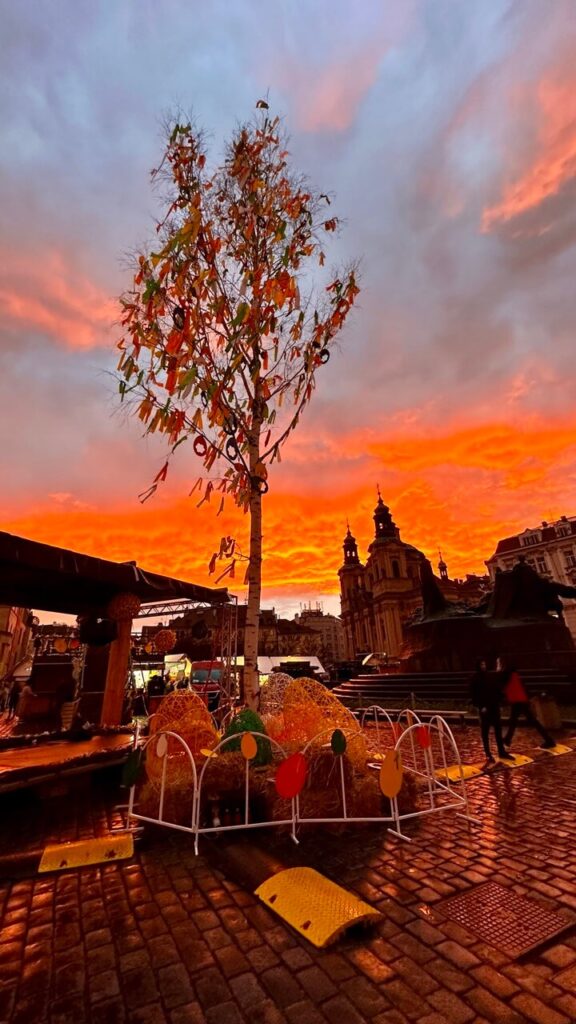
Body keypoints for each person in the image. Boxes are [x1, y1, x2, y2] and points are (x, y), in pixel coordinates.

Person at [500, 662, 555, 750]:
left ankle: (549, 740)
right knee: (517, 721)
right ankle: (508, 739)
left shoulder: (506, 675)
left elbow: (501, 684)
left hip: (517, 701)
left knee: (520, 721)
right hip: (521, 700)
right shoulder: (514, 674)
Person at [469, 659, 513, 768]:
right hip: (485, 708)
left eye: (484, 664)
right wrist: (480, 706)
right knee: (485, 731)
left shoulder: (489, 676)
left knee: (498, 730)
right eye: (481, 664)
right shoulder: (475, 678)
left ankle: (501, 751)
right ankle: (488, 753)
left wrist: (500, 702)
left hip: (494, 706)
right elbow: (474, 694)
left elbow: (496, 689)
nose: (483, 666)